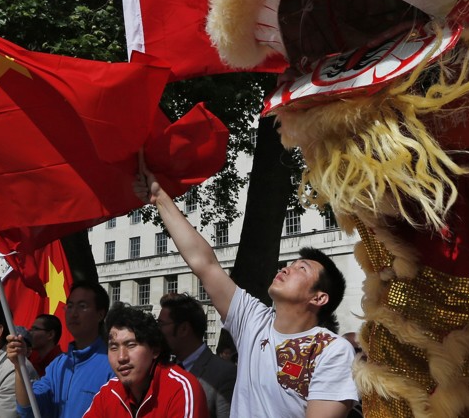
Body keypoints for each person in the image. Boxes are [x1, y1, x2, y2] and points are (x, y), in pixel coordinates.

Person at [136, 165, 358, 418]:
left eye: (302, 268)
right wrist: (159, 197)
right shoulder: (253, 320)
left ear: (319, 298)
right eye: (290, 264)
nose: (287, 269)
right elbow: (205, 264)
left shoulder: (332, 350)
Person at [6, 281, 114, 418]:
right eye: (69, 306)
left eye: (82, 306)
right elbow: (28, 408)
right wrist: (18, 365)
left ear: (100, 314)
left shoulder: (113, 364)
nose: (73, 313)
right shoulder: (58, 365)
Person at [84, 306, 205, 418]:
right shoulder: (108, 393)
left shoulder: (180, 389)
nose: (121, 357)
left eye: (131, 345)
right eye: (114, 347)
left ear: (155, 350)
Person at [158, 294, 234, 418]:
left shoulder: (224, 374)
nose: (157, 330)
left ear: (183, 329)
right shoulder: (164, 370)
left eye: (161, 324)